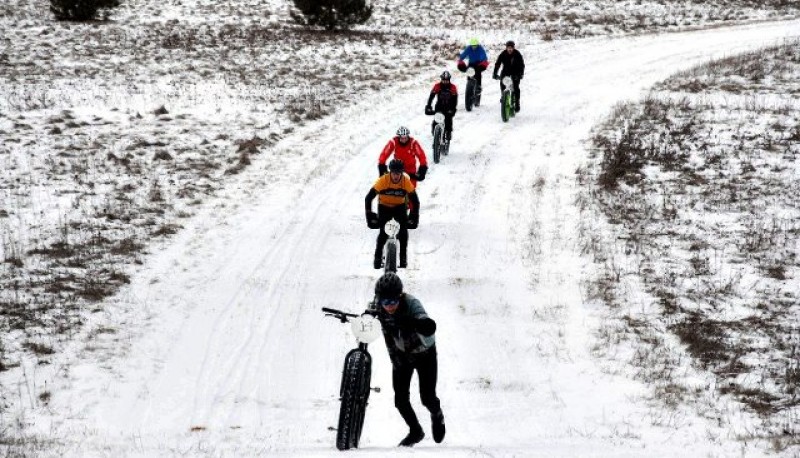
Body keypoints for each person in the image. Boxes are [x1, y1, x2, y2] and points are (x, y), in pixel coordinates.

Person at [373, 272, 445, 447]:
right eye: (385, 302)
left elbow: (428, 324)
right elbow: (368, 316)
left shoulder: (412, 304)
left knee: (427, 398)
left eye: (393, 302)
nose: (389, 306)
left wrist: (413, 322)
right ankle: (415, 431)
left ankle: (437, 415)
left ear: (400, 297)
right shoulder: (378, 306)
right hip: (401, 356)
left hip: (424, 354)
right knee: (400, 400)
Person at [365, 159, 419, 269]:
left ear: (402, 173)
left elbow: (415, 201)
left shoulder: (405, 182)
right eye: (393, 173)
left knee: (403, 232)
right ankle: (377, 258)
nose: (396, 176)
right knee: (383, 233)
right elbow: (368, 198)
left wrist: (414, 216)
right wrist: (369, 215)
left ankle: (403, 259)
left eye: (398, 173)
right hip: (384, 207)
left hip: (400, 207)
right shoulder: (383, 180)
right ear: (390, 172)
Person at [424, 71, 458, 142]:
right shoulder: (437, 86)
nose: (445, 81)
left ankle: (448, 132)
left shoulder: (453, 87)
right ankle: (436, 136)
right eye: (444, 80)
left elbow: (455, 99)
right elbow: (431, 97)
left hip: (449, 107)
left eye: (447, 80)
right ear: (441, 79)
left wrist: (453, 109)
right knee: (435, 122)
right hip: (439, 106)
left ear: (449, 80)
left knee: (448, 119)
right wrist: (429, 106)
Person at [492, 40, 525, 112]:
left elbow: (522, 65)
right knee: (502, 83)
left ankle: (517, 102)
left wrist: (520, 74)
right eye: (508, 48)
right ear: (506, 48)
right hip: (506, 71)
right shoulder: (503, 54)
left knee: (516, 87)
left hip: (516, 71)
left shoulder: (517, 54)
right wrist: (495, 73)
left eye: (511, 48)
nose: (509, 49)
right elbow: (497, 64)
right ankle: (503, 95)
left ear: (513, 48)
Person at [456, 37, 490, 102]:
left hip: (478, 64)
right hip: (471, 64)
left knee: (478, 73)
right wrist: (460, 59)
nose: (474, 47)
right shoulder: (469, 48)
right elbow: (463, 55)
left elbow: (484, 56)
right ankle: (469, 88)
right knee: (469, 74)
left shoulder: (480, 49)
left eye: (475, 45)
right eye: (472, 46)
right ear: (471, 45)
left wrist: (483, 60)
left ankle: (479, 87)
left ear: (477, 45)